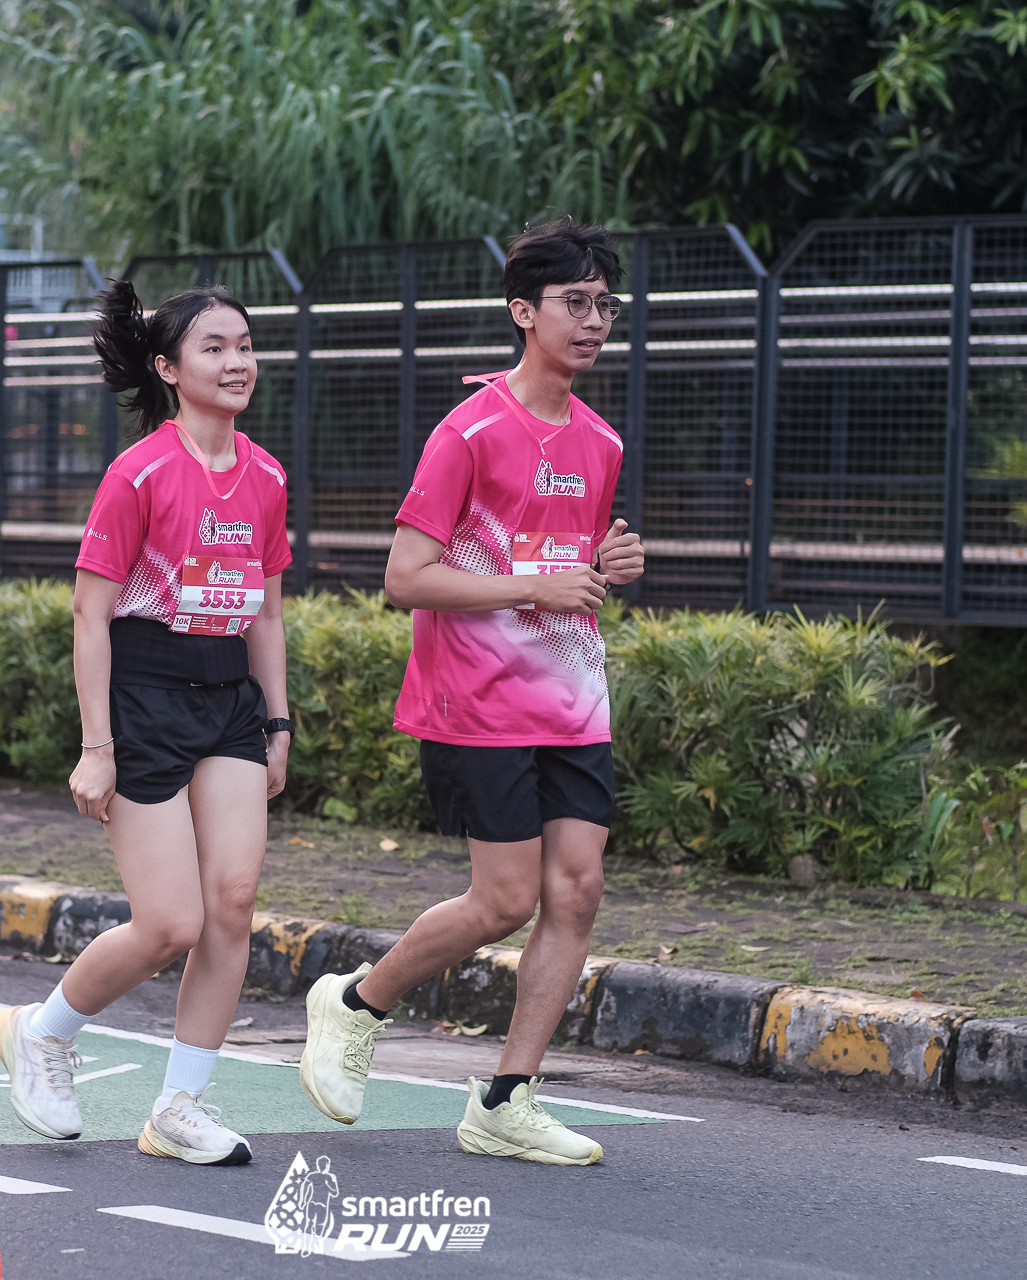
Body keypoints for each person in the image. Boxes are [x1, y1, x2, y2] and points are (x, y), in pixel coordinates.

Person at [299, 219, 645, 1165]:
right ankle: (357, 1001)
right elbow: (405, 577)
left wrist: (608, 565)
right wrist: (537, 585)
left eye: (605, 304)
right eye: (575, 302)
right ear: (523, 312)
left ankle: (505, 1099)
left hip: (573, 697)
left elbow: (569, 567)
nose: (594, 320)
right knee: (502, 902)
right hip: (477, 700)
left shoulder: (601, 440)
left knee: (577, 891)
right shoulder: (470, 431)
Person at [0, 279, 294, 1167]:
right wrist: (98, 748)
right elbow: (90, 615)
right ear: (167, 368)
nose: (236, 362)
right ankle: (44, 1032)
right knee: (170, 923)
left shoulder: (268, 476)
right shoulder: (140, 473)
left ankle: (179, 1107)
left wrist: (278, 724)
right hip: (145, 695)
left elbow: (268, 613)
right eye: (214, 348)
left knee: (232, 904)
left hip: (229, 697)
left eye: (245, 345)